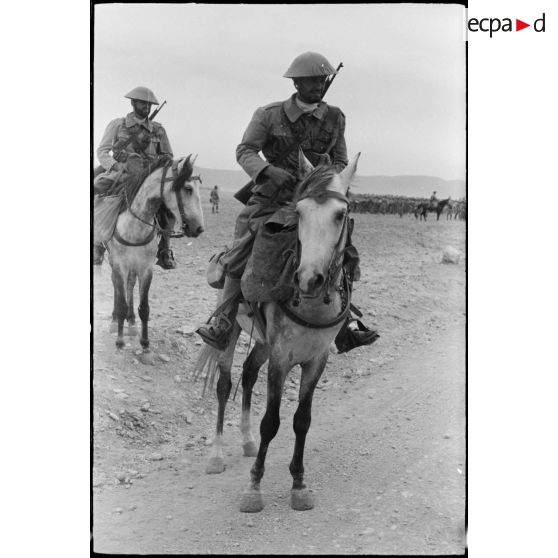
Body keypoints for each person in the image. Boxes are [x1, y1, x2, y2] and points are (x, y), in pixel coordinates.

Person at [196, 52, 378, 352]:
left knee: (342, 246)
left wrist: (322, 179)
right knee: (244, 245)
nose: (318, 85)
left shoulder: (335, 118)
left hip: (315, 199)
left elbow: (342, 160)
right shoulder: (268, 115)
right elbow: (245, 150)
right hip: (273, 198)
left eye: (322, 80)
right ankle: (224, 319)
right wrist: (267, 171)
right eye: (311, 80)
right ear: (296, 83)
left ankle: (344, 324)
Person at [93, 86, 177, 269]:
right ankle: (97, 243)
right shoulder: (117, 124)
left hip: (149, 177)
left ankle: (165, 250)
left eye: (149, 104)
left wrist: (160, 163)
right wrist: (115, 166)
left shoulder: (158, 130)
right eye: (142, 103)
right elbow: (102, 151)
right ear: (133, 103)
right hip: (122, 173)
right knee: (98, 191)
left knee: (168, 206)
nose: (146, 106)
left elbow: (169, 156)